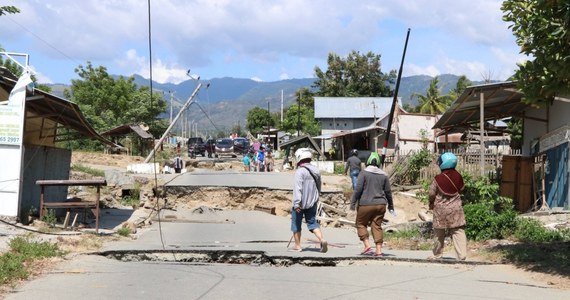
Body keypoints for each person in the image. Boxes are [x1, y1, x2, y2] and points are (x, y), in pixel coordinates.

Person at [350, 152, 394, 257]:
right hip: (381, 204)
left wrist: (352, 203)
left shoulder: (363, 173)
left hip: (365, 204)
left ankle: (367, 245)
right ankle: (378, 251)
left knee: (360, 223)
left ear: (367, 162)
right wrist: (391, 206)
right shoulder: (384, 175)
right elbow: (388, 192)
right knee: (377, 225)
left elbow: (358, 190)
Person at [428, 152, 467, 261]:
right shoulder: (458, 176)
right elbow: (462, 188)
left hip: (440, 210)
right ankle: (461, 255)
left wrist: (431, 203)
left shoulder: (438, 178)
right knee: (458, 231)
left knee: (439, 232)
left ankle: (437, 254)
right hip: (456, 209)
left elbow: (431, 193)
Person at [289, 148, 327, 253]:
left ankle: (297, 246)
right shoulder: (316, 171)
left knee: (296, 224)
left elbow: (298, 189)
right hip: (312, 202)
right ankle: (322, 240)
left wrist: (297, 204)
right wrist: (316, 198)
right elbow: (319, 187)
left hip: (300, 204)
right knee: (312, 223)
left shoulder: (300, 172)